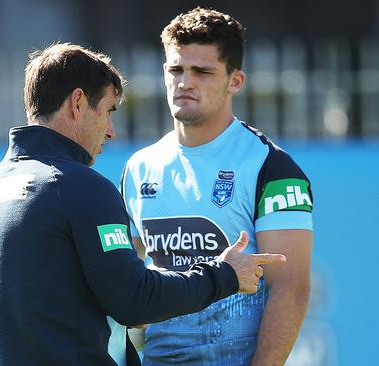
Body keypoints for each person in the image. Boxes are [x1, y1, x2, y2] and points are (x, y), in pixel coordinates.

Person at [0, 42, 286, 366]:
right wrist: (225, 274)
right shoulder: (79, 187)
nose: (111, 132)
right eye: (108, 111)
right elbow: (134, 300)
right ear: (78, 103)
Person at [121, 7, 314, 365]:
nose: (185, 82)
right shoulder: (139, 167)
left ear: (235, 81)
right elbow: (128, 283)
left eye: (202, 72)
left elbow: (291, 288)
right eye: (175, 69)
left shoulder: (271, 167)